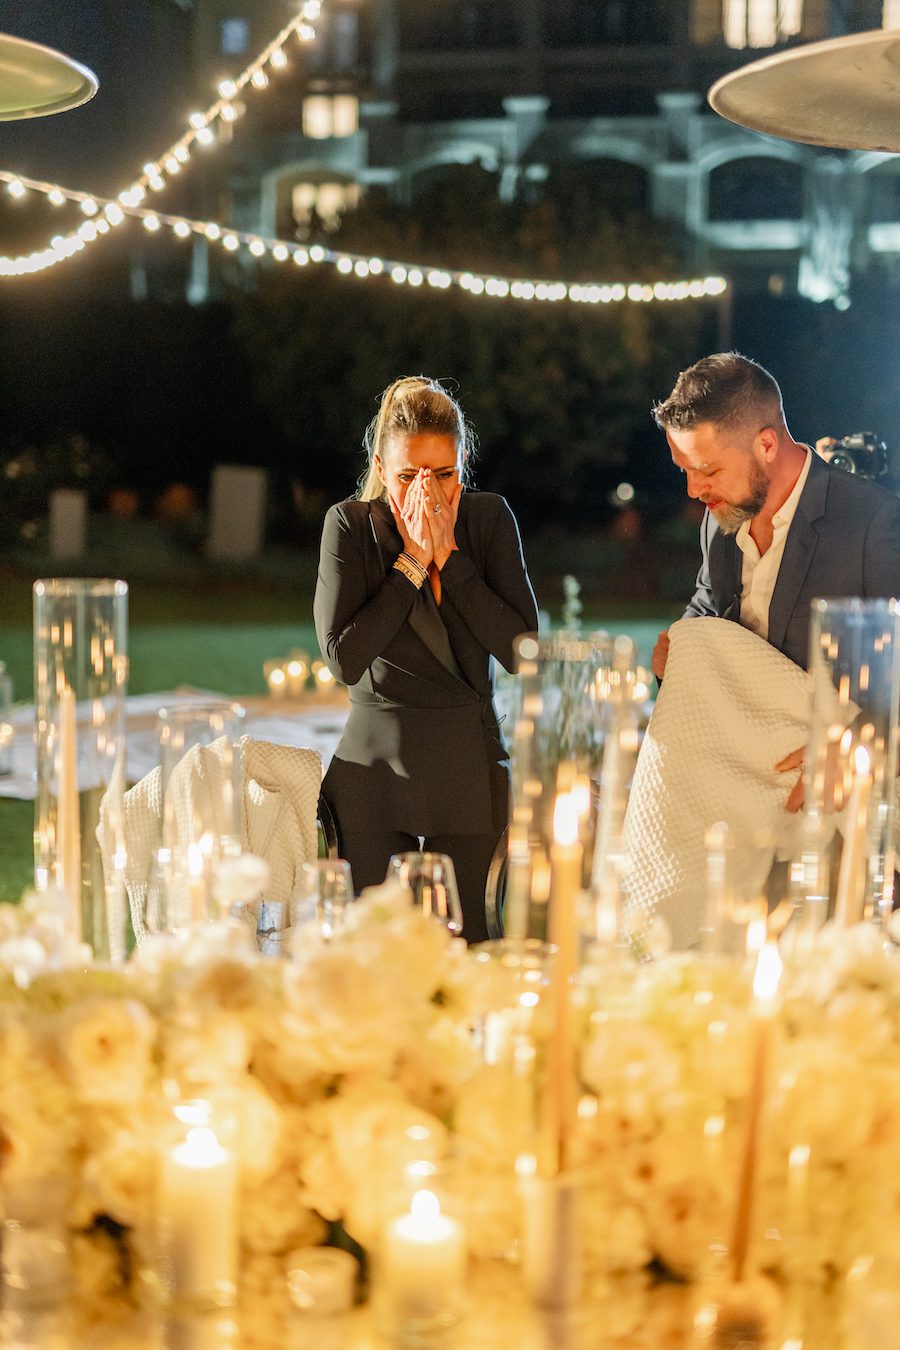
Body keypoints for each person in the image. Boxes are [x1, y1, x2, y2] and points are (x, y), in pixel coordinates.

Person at [314, 376, 539, 942]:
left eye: (443, 475)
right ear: (381, 467)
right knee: (370, 953)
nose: (428, 493)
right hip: (375, 766)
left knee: (467, 949)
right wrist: (412, 562)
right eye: (409, 476)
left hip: (468, 760)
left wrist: (451, 562)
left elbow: (522, 650)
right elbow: (344, 658)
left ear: (461, 466)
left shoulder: (488, 520)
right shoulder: (350, 525)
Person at [650, 351, 900, 809]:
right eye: (683, 470)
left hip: (839, 799)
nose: (693, 489)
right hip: (731, 783)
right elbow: (708, 605)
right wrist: (680, 645)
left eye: (707, 470)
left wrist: (857, 746)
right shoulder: (719, 516)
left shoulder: (873, 521)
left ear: (766, 444)